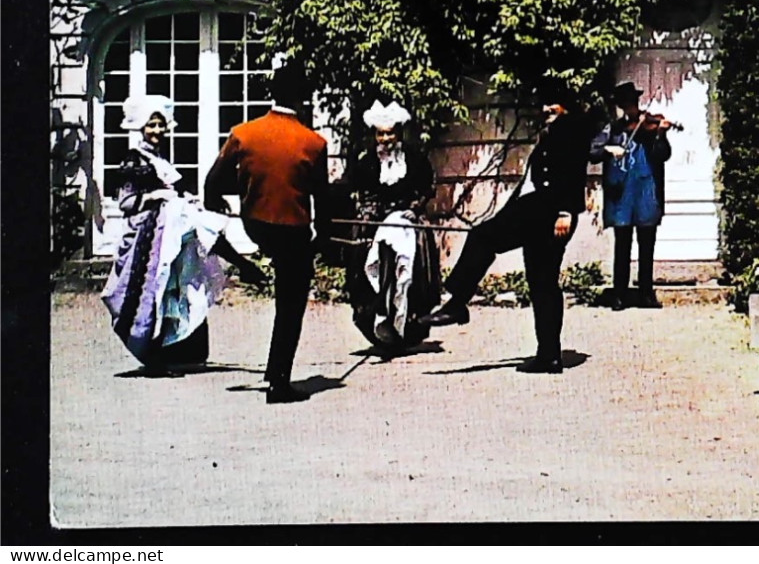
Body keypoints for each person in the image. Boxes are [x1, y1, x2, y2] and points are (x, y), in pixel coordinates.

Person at [422, 83, 594, 373]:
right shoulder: (556, 131)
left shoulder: (571, 127)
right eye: (545, 105)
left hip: (548, 209)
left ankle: (457, 302)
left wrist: (566, 211)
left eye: (553, 105)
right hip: (544, 209)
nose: (546, 110)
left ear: (566, 106)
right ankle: (549, 356)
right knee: (543, 284)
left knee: (483, 236)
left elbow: (574, 170)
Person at [101, 95, 266, 373]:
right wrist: (156, 196)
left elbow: (174, 194)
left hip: (168, 236)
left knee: (173, 291)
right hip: (148, 238)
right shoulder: (134, 160)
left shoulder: (160, 159)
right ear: (140, 127)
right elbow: (126, 203)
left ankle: (171, 352)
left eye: (160, 125)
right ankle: (152, 356)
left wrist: (182, 199)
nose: (156, 131)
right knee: (153, 294)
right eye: (151, 125)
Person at [203, 62, 328, 404]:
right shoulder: (314, 142)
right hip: (292, 228)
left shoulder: (244, 133)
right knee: (291, 303)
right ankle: (278, 381)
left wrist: (224, 205)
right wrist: (323, 238)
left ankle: (251, 268)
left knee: (283, 278)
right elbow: (322, 197)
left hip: (255, 224)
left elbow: (213, 182)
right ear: (303, 98)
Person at [344, 99, 441, 353]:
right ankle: (378, 325)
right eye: (380, 134)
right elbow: (358, 189)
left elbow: (428, 186)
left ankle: (406, 327)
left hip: (407, 220)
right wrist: (368, 210)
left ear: (398, 133)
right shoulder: (366, 161)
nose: (385, 139)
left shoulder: (415, 158)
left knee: (409, 271)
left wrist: (416, 207)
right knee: (369, 268)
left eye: (390, 133)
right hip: (375, 222)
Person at [592, 81, 672, 310]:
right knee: (622, 246)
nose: (631, 108)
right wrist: (609, 149)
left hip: (646, 192)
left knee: (647, 246)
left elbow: (663, 155)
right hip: (622, 195)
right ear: (620, 106)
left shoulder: (650, 127)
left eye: (633, 103)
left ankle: (647, 293)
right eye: (626, 104)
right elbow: (592, 151)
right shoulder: (612, 129)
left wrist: (661, 135)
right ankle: (619, 294)